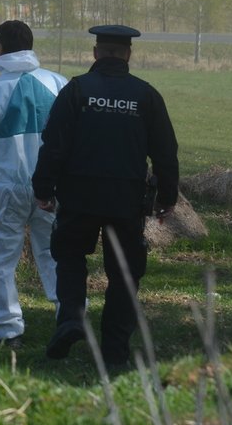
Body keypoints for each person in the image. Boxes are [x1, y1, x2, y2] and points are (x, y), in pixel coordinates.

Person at [32, 24, 179, 368]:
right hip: (126, 199)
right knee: (124, 274)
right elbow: (166, 152)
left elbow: (54, 144)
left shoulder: (76, 90)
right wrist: (167, 197)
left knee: (69, 257)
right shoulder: (146, 96)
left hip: (79, 194)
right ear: (128, 54)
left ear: (96, 53)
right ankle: (114, 351)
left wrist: (43, 189)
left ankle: (70, 319)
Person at [0, 20, 68, 347]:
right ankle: (70, 318)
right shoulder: (59, 83)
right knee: (56, 254)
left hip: (7, 185)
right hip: (52, 188)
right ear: (31, 45)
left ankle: (8, 331)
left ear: (0, 47)